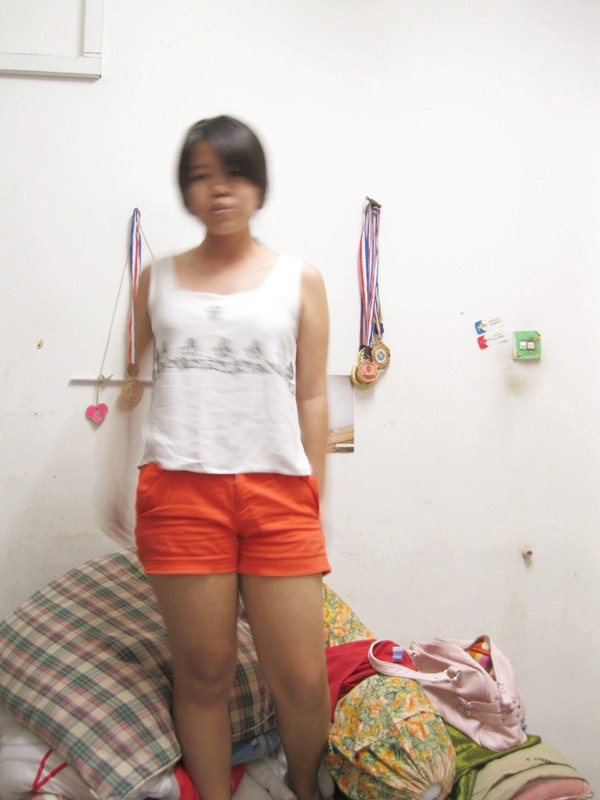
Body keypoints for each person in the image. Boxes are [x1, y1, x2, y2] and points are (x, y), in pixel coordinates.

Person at [133, 115, 331, 800]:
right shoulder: (155, 279)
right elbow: (130, 386)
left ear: (259, 185)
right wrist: (113, 479)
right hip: (179, 490)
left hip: (279, 491)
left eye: (235, 174)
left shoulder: (300, 279)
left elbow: (312, 395)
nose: (219, 190)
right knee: (205, 674)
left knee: (302, 676)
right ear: (185, 191)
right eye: (200, 177)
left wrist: (314, 490)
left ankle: (305, 786)